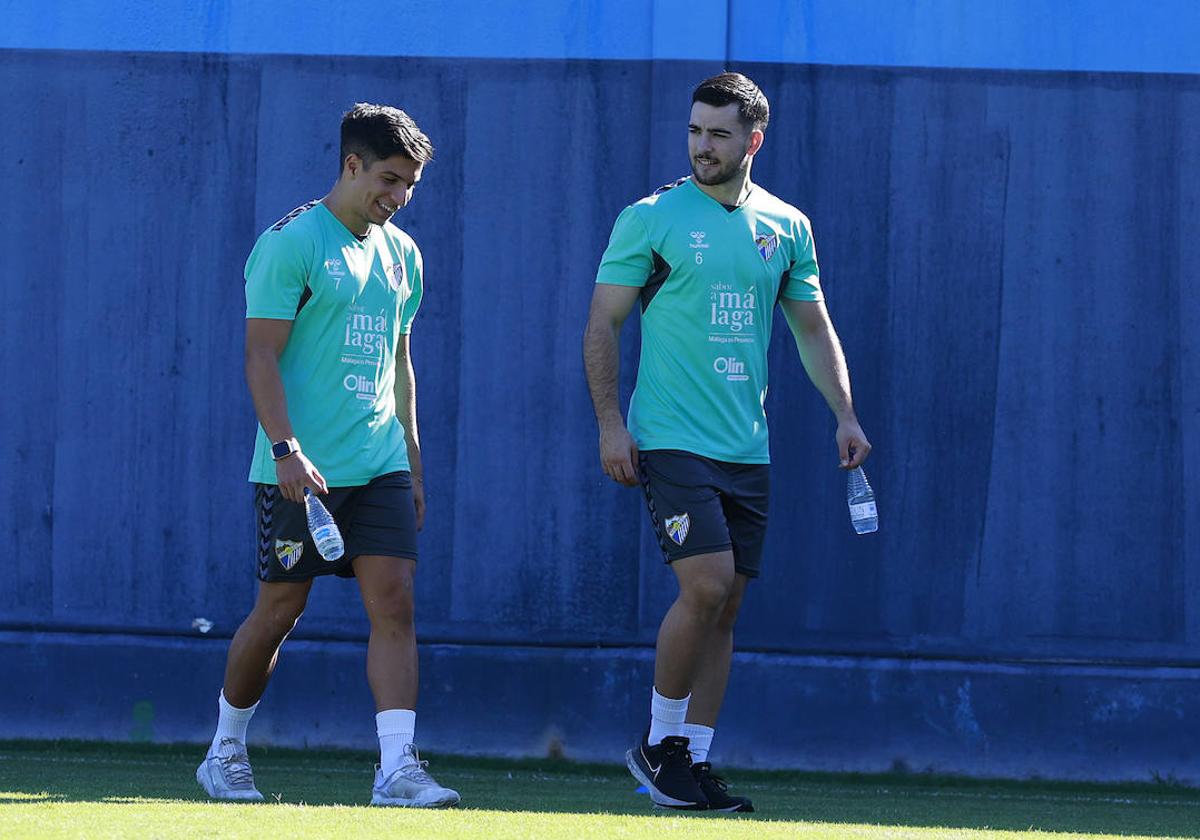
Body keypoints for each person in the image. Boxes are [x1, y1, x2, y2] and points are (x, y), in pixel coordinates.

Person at [582, 72, 871, 812]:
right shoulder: (650, 218)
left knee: (728, 606)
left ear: (753, 141)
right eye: (694, 130)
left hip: (748, 447)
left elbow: (812, 327)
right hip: (670, 438)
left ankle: (692, 763)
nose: (702, 145)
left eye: (717, 133)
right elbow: (602, 325)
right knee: (704, 585)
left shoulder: (787, 226)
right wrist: (612, 424)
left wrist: (845, 413)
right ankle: (659, 743)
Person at [195, 103, 459, 808]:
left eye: (409, 186)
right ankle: (225, 750)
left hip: (380, 465)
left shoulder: (403, 255)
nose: (398, 197)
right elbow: (260, 355)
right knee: (280, 612)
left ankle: (398, 769)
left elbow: (401, 364)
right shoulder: (292, 243)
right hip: (297, 471)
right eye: (388, 180)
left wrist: (415, 464)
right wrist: (285, 449)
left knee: (396, 603)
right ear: (351, 165)